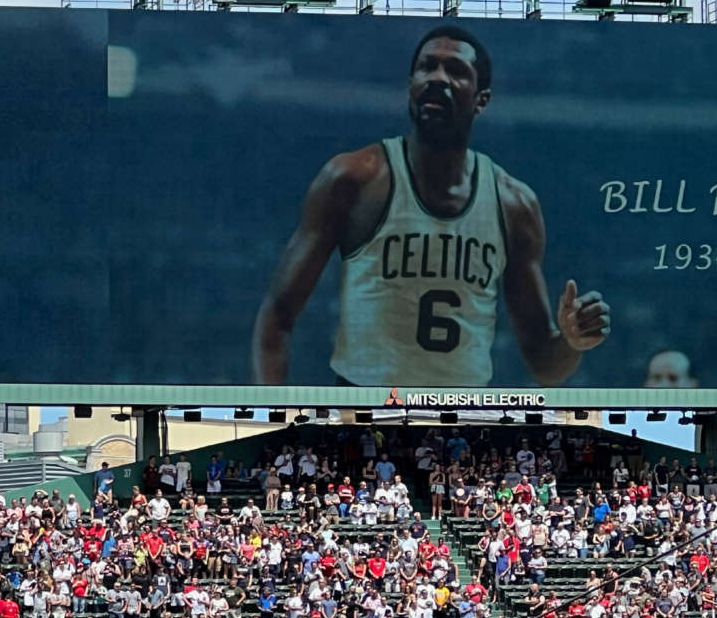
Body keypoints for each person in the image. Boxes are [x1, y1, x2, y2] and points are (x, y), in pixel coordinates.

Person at [252, 24, 612, 388]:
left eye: (455, 70)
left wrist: (571, 342)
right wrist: (276, 418)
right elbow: (277, 317)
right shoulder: (353, 178)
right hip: (361, 410)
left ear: (481, 99)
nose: (437, 77)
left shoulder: (514, 204)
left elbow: (544, 365)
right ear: (411, 85)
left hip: (463, 420)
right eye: (427, 66)